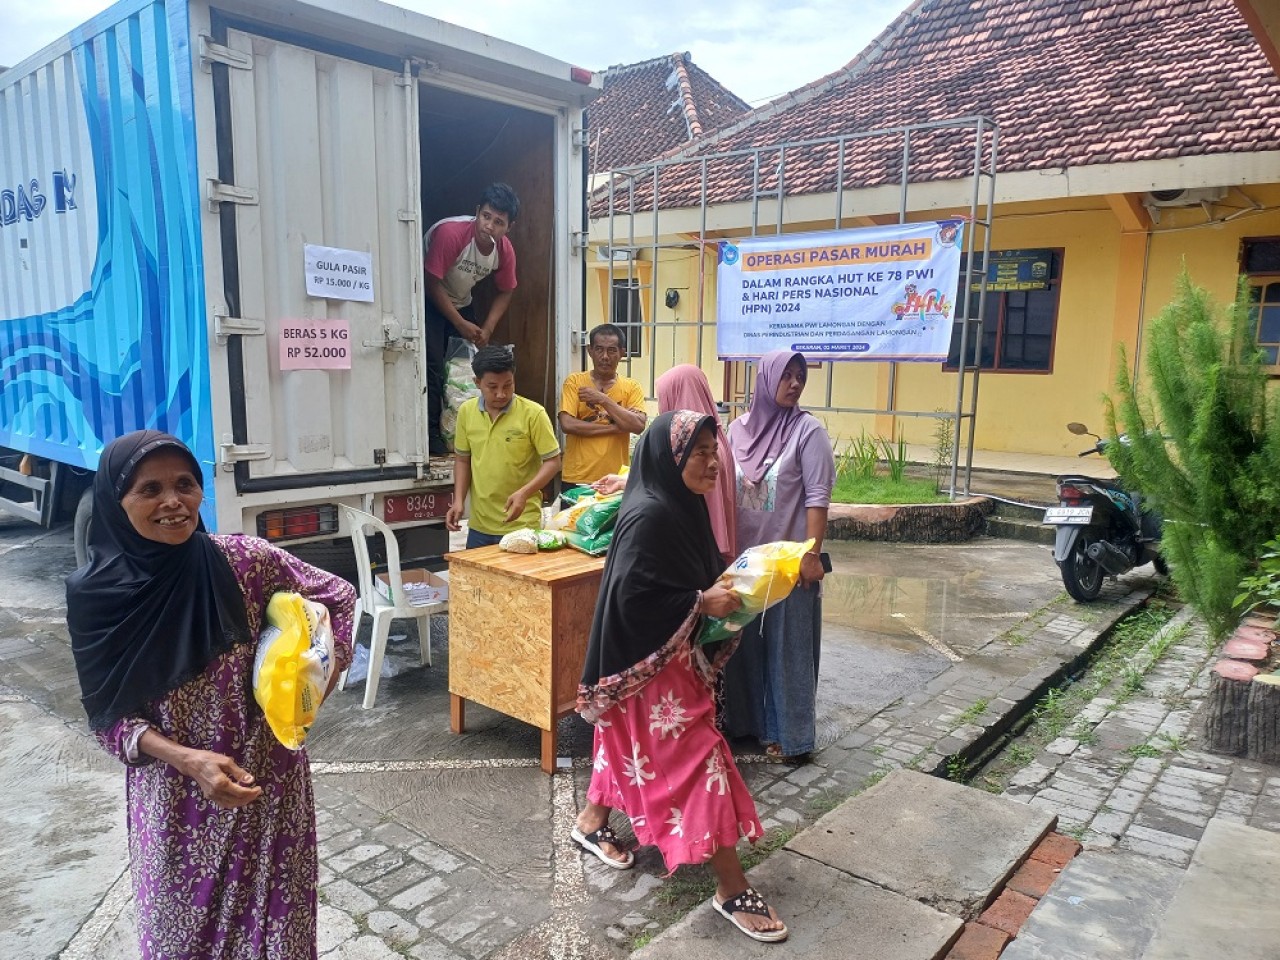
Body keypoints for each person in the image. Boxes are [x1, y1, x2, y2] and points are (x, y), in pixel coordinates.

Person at [66, 430, 356, 960]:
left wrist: (315, 681)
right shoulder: (97, 598)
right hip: (177, 805)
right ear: (115, 500)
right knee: (181, 942)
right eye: (149, 489)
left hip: (269, 789)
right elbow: (109, 720)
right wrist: (190, 760)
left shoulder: (244, 561)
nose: (173, 501)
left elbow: (337, 595)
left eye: (185, 484)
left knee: (280, 941)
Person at [574, 410, 788, 944]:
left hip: (662, 661)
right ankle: (731, 886)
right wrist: (699, 601)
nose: (713, 463)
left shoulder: (679, 503)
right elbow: (632, 597)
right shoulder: (650, 514)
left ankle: (590, 822)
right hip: (648, 668)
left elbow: (685, 575)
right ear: (671, 458)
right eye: (700, 452)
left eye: (715, 452)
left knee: (625, 742)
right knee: (703, 761)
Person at [721, 350, 835, 762]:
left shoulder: (808, 432)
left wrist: (811, 555)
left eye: (799, 376)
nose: (794, 383)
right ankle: (748, 725)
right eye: (785, 375)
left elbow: (818, 499)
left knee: (789, 653)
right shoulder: (735, 430)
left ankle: (790, 736)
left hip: (788, 565)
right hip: (746, 564)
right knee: (743, 649)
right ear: (765, 380)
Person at [592, 363, 736, 564]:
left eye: (664, 398)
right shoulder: (716, 441)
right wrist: (626, 482)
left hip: (695, 553)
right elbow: (673, 483)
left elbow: (679, 492)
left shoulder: (695, 450)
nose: (662, 407)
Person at [424, 182, 521, 456]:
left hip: (461, 301)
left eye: (499, 222)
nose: (489, 226)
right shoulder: (451, 234)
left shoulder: (504, 251)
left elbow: (507, 290)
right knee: (433, 363)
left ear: (509, 227)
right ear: (477, 212)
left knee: (467, 368)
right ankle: (432, 435)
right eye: (486, 216)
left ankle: (466, 432)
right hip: (428, 298)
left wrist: (487, 328)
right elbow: (431, 282)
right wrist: (459, 323)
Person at [445, 345, 561, 548]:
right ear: (477, 382)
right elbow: (462, 460)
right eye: (492, 387)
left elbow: (553, 462)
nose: (501, 394)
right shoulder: (466, 412)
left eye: (508, 385)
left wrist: (524, 493)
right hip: (480, 525)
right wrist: (458, 501)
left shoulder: (534, 414)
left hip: (522, 524)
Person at [558, 323, 647, 486]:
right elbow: (567, 424)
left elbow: (638, 425)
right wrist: (616, 427)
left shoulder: (631, 387)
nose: (605, 356)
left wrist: (602, 399)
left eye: (612, 350)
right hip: (577, 477)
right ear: (590, 351)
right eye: (599, 349)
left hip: (615, 479)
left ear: (622, 353)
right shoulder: (574, 382)